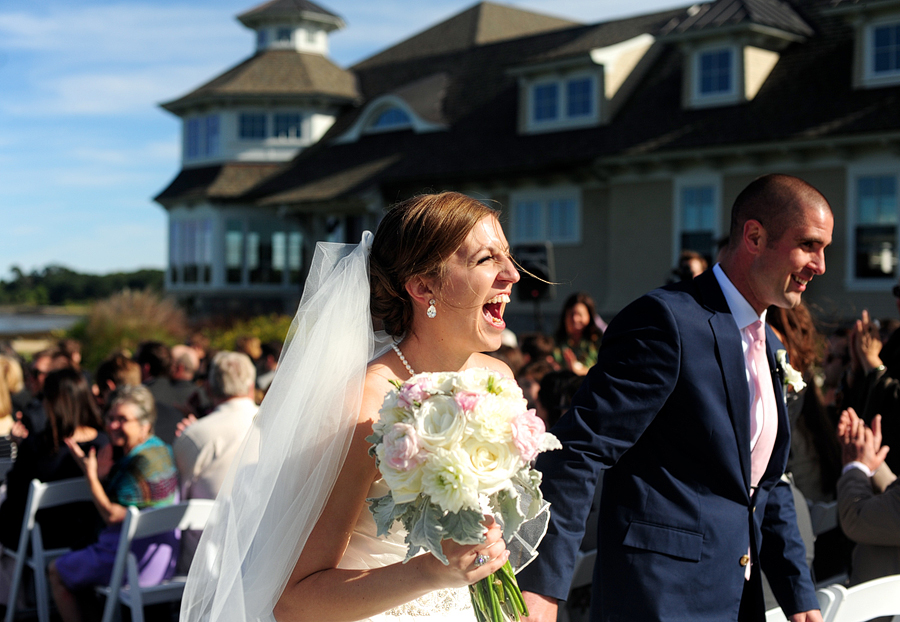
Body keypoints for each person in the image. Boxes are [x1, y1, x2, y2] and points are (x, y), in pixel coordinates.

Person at [181, 192, 517, 622]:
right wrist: (430, 573)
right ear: (423, 286)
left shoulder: (498, 380)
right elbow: (294, 601)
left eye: (507, 256)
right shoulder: (365, 405)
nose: (512, 274)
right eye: (488, 259)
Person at [518, 174, 832, 622]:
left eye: (825, 249)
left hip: (737, 599)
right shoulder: (667, 320)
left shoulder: (773, 346)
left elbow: (766, 484)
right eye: (809, 245)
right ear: (755, 236)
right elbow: (578, 450)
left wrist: (799, 597)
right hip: (658, 597)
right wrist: (542, 587)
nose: (820, 265)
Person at [48, 385, 179, 622]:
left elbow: (112, 515)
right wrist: (99, 475)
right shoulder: (161, 449)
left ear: (144, 424)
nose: (113, 426)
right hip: (162, 559)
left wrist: (91, 479)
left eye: (123, 420)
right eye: (110, 418)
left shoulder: (139, 462)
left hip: (131, 562)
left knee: (56, 571)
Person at [173, 351, 258, 568]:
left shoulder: (197, 435)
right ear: (251, 387)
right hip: (263, 550)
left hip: (205, 561)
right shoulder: (275, 423)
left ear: (209, 388)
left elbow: (179, 497)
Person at [836, 407, 900, 585]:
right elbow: (893, 502)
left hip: (882, 608)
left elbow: (856, 517)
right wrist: (870, 460)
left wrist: (856, 467)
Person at [552, 292, 603, 376]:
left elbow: (604, 371)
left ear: (589, 316)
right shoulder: (556, 341)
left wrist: (579, 371)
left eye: (580, 314)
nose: (575, 319)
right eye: (571, 314)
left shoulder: (598, 342)